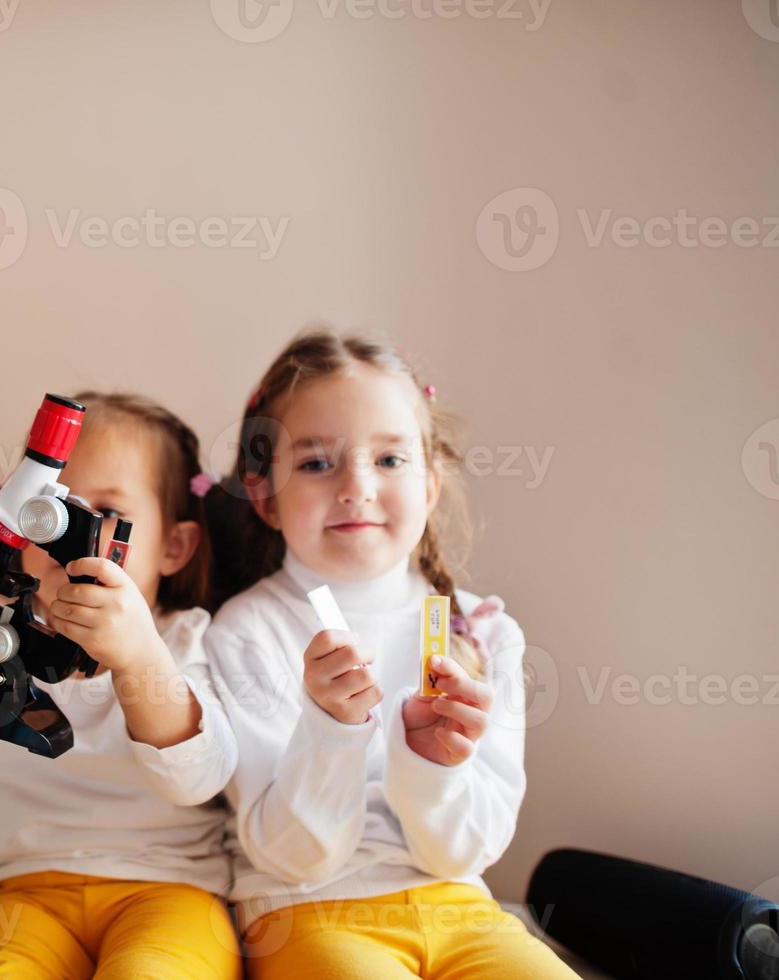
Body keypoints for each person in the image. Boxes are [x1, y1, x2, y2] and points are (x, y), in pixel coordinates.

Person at [204, 330, 579, 979]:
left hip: (457, 905)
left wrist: (434, 769)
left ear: (430, 484)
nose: (355, 487)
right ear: (264, 494)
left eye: (389, 460)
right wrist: (329, 728)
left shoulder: (480, 631)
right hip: (306, 907)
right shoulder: (246, 632)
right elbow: (291, 858)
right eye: (317, 462)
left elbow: (466, 852)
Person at [0, 392, 242, 979]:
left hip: (170, 887)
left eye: (100, 511)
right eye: (48, 508)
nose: (61, 533)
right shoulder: (0, 628)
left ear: (174, 547)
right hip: (28, 889)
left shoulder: (185, 640)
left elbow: (201, 777)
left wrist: (137, 658)